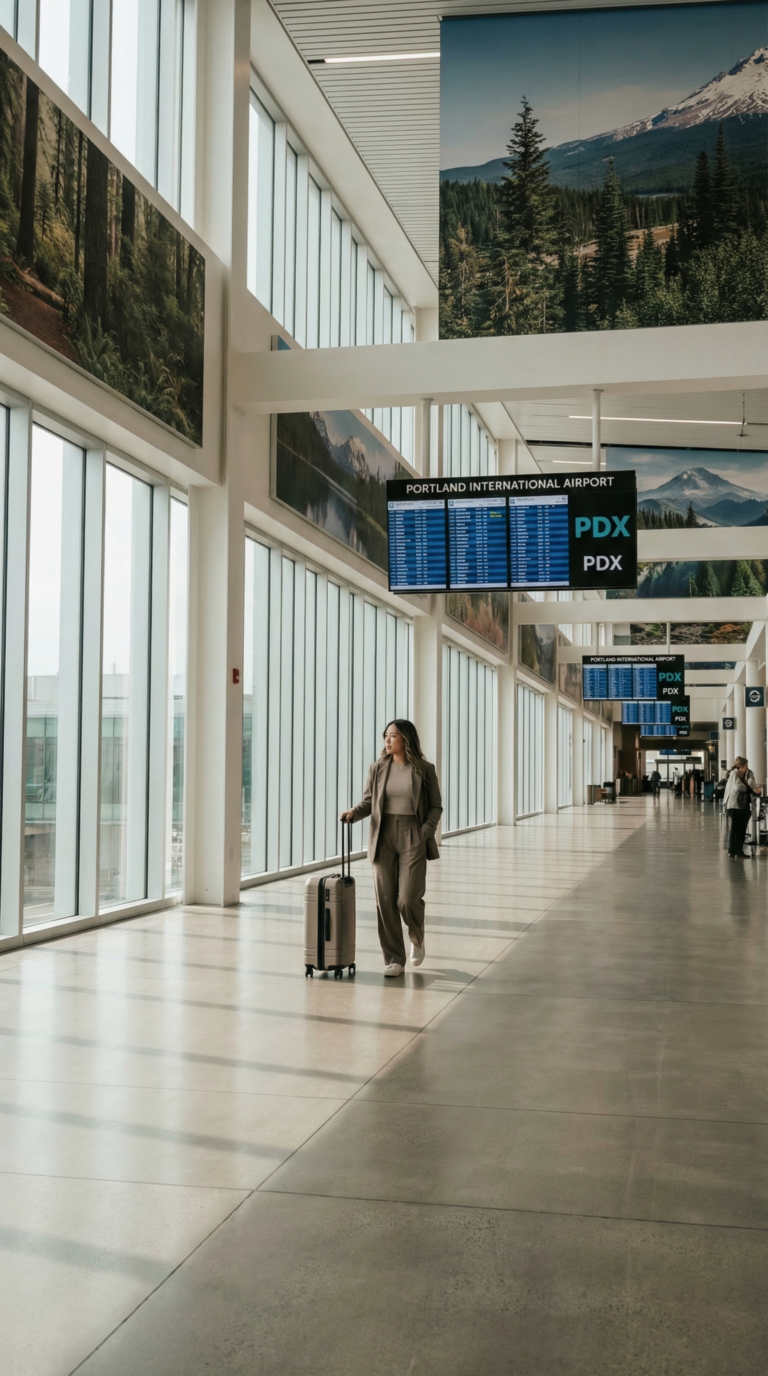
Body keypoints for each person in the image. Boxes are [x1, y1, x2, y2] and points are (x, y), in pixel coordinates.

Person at [341, 720, 442, 977]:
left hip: (412, 834)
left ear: (406, 739)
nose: (387, 740)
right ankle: (394, 959)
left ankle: (416, 937)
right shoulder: (377, 768)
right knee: (385, 900)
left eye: (393, 736)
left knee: (407, 898)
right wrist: (354, 812)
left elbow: (435, 806)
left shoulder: (424, 769)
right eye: (386, 735)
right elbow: (369, 801)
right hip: (382, 835)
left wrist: (424, 832)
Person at [724, 758, 761, 859]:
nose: (747, 767)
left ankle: (735, 851)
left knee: (739, 829)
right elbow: (738, 787)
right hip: (734, 805)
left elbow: (751, 783)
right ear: (740, 766)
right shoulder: (734, 774)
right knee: (737, 829)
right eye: (746, 766)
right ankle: (735, 851)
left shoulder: (746, 774)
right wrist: (746, 785)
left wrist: (748, 783)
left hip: (741, 805)